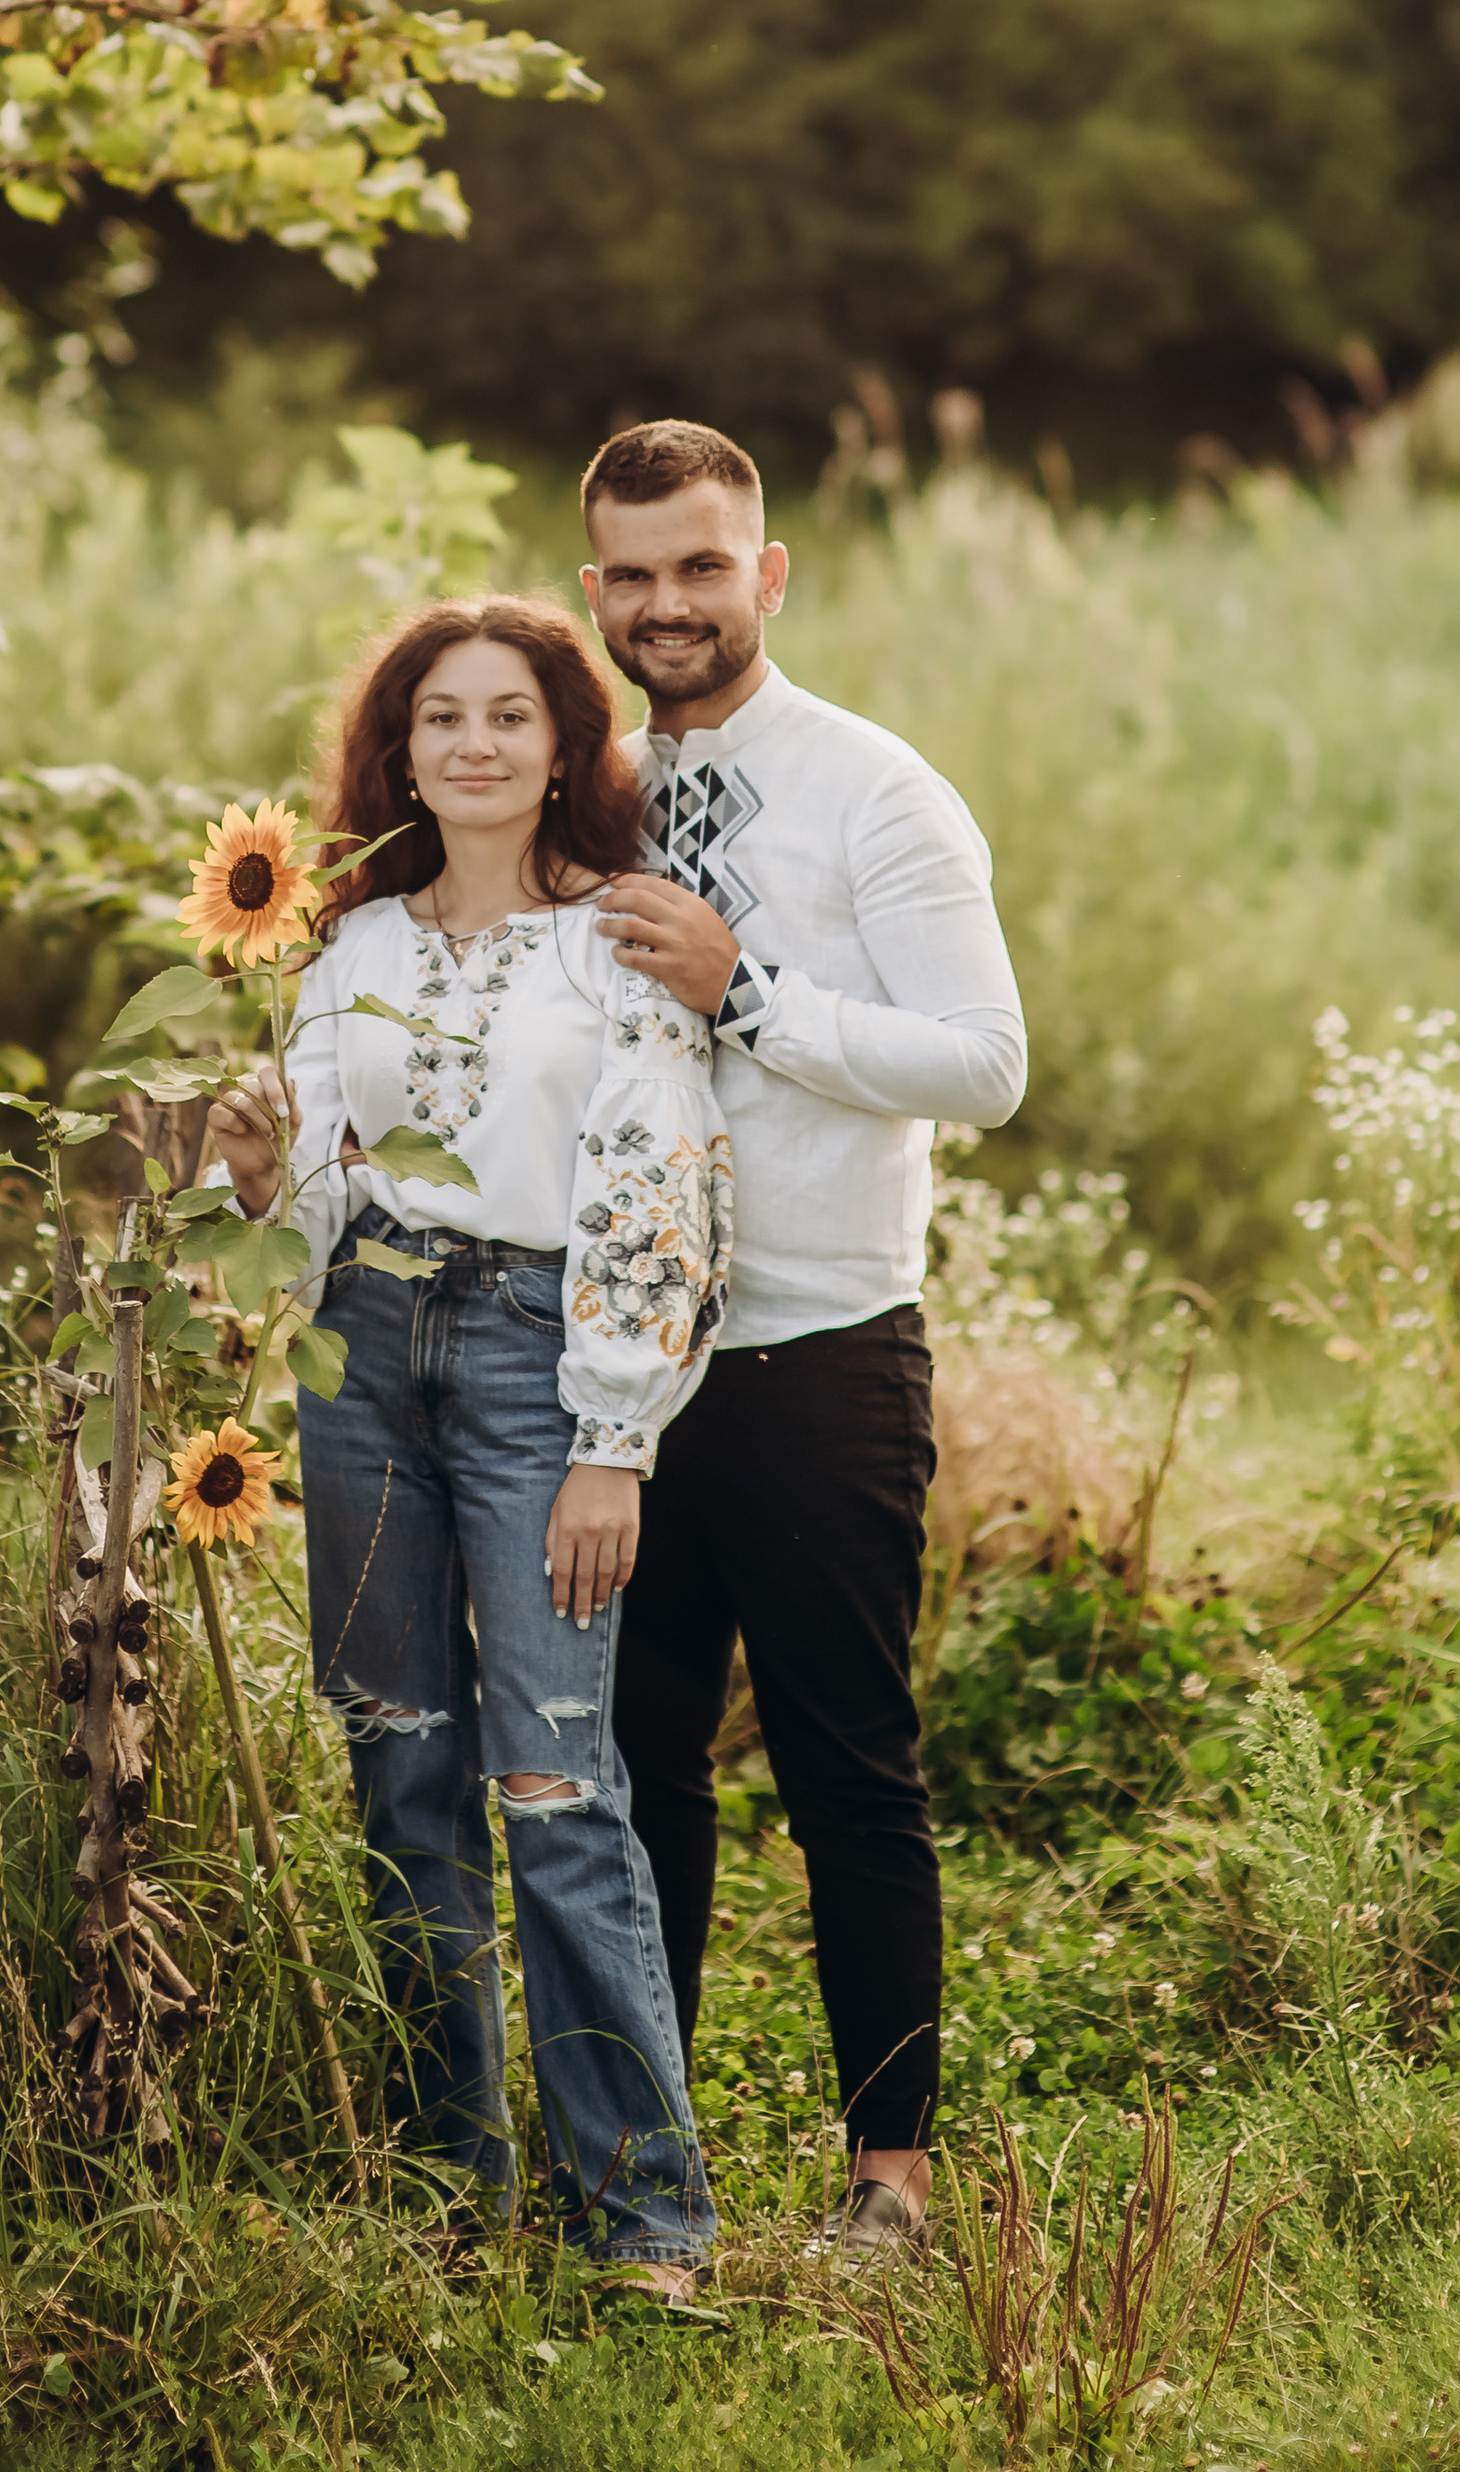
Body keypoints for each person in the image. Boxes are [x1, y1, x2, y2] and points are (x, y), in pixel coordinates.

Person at [206, 593, 731, 2290]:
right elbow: (310, 1199)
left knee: (558, 1782)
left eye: (512, 713)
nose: (478, 743)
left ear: (566, 743)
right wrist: (249, 1169)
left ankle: (642, 2216)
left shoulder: (616, 940)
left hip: (534, 1358)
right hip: (362, 1354)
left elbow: (658, 1186)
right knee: (399, 1767)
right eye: (444, 716)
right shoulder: (345, 948)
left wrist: (611, 1438)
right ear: (401, 750)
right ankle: (448, 2194)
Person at [577, 417, 1026, 2262]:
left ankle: (889, 2183)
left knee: (850, 1764)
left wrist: (745, 991)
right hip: (614, 1375)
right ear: (591, 587)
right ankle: (647, 2155)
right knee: (632, 1766)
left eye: (701, 566)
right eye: (630, 572)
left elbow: (987, 1063)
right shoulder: (580, 789)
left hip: (818, 1357)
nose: (666, 604)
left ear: (766, 574)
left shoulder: (877, 792)